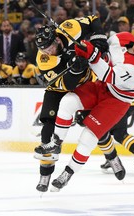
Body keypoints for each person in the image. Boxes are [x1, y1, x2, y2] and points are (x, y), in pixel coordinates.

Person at [34, 28, 134, 191]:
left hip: (116, 101)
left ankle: (67, 174)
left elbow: (107, 73)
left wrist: (90, 53)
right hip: (101, 87)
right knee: (68, 102)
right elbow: (103, 48)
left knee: (89, 136)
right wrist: (87, 47)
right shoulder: (123, 37)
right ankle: (55, 142)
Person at [33, 15, 108, 193]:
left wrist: (98, 40)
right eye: (42, 49)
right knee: (47, 131)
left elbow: (93, 19)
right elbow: (67, 85)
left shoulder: (69, 27)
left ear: (57, 39)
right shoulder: (43, 60)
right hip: (58, 88)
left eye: (49, 47)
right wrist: (76, 70)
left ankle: (112, 157)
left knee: (94, 127)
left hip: (86, 86)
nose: (46, 52)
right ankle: (45, 174)